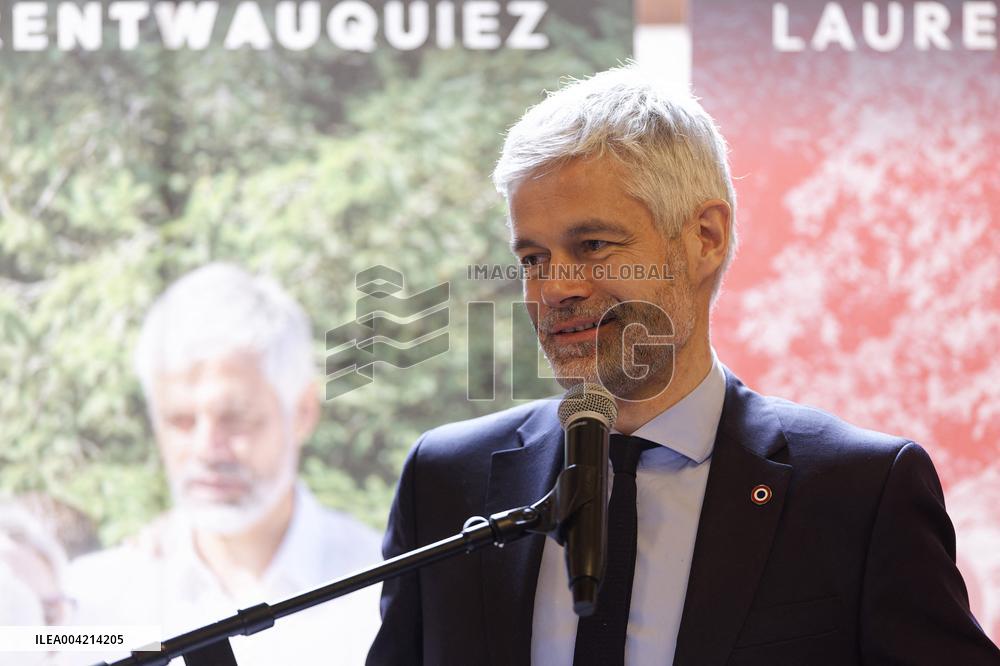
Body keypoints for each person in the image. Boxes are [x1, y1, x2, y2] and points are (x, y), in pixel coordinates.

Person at [367, 66, 1000, 665]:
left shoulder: (860, 493)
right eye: (533, 257)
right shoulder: (447, 480)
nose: (554, 288)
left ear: (705, 238)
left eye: (592, 246)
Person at [66, 263, 382, 665]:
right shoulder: (92, 600)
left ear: (302, 411)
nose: (206, 448)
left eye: (236, 417)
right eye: (179, 420)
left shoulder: (385, 589)